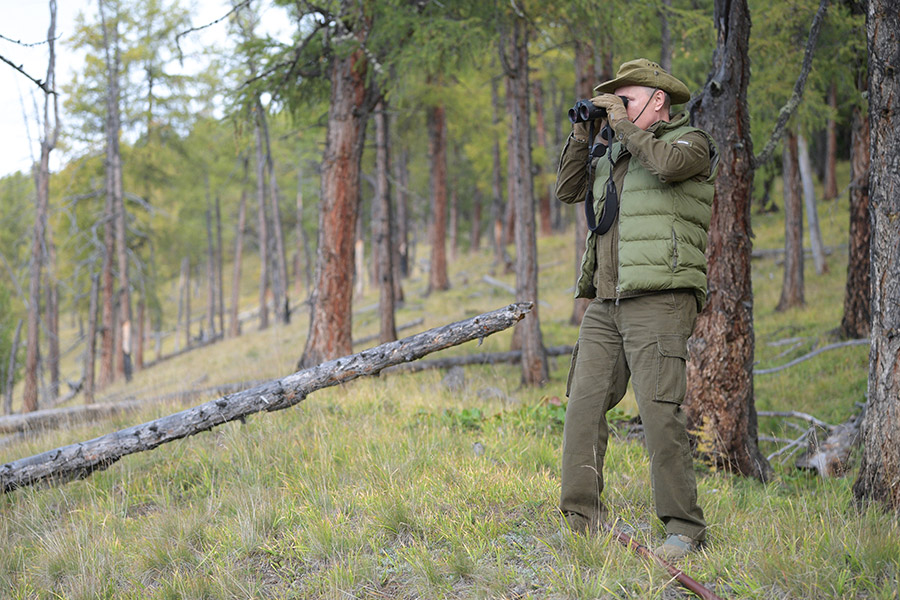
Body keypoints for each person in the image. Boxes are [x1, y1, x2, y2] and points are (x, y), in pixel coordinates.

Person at [555, 58, 719, 561]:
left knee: (658, 412)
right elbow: (567, 191)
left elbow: (666, 167)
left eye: (625, 100)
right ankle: (580, 520)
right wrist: (585, 136)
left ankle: (684, 529)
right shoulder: (614, 152)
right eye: (614, 101)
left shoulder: (691, 143)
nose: (616, 109)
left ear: (658, 101)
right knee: (582, 406)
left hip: (662, 297)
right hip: (607, 299)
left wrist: (623, 128)